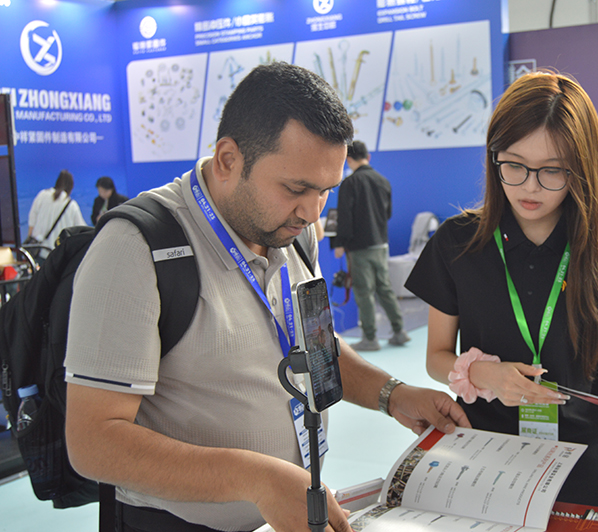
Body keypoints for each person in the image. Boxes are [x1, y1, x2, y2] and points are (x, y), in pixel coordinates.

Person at [64, 62, 469, 532]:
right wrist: (256, 480)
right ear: (228, 160)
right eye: (296, 188)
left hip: (284, 514)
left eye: (326, 191)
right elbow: (93, 442)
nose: (312, 211)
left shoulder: (293, 232)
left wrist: (392, 394)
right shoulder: (136, 248)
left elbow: (314, 346)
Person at [404, 71, 598, 508]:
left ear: (581, 168)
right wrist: (484, 374)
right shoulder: (457, 242)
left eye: (552, 170)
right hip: (482, 456)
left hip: (580, 463)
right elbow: (436, 358)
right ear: (494, 158)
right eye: (514, 165)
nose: (530, 186)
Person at [332, 141, 410, 351]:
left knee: (363, 291)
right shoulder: (383, 181)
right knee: (384, 288)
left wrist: (340, 243)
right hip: (381, 244)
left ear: (348, 159)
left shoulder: (350, 183)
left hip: (360, 247)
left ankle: (370, 338)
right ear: (368, 157)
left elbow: (345, 217)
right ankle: (399, 331)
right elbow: (388, 214)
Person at [26, 169, 87, 259]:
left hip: (39, 251)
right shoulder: (71, 205)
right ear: (71, 186)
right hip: (58, 256)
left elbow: (32, 221)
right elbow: (81, 229)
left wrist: (30, 240)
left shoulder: (42, 195)